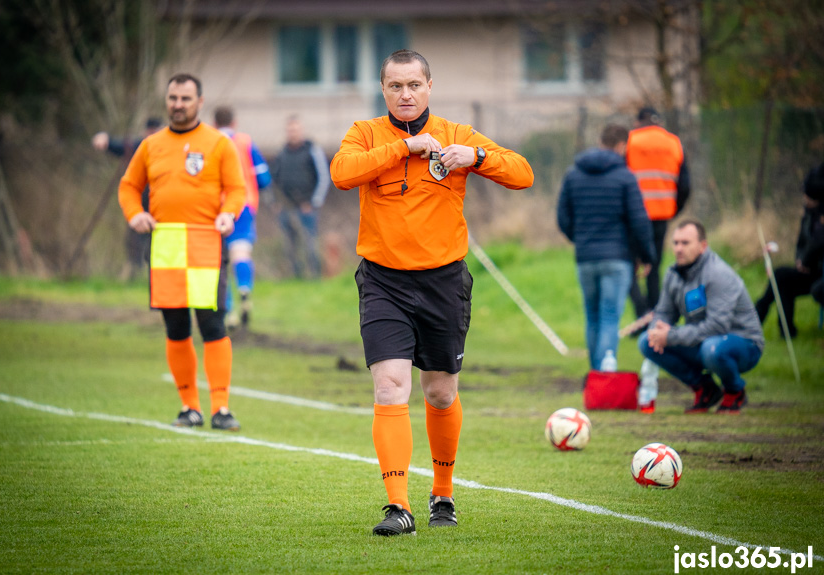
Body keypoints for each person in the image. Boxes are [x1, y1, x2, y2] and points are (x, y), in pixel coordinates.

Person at [330, 49, 534, 536]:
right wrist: (405, 148)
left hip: (443, 281)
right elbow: (342, 173)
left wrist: (478, 157)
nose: (405, 94)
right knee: (389, 386)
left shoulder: (458, 135)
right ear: (383, 90)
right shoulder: (365, 133)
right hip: (382, 280)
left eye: (413, 85)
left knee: (440, 393)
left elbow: (523, 174)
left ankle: (443, 492)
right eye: (395, 86)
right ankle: (397, 506)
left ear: (429, 86)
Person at [118, 73, 246, 430]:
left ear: (200, 101)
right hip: (166, 245)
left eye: (185, 98)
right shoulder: (150, 145)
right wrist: (135, 213)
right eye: (173, 98)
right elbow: (129, 187)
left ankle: (221, 409)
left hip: (206, 242)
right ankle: (189, 407)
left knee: (212, 323)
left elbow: (237, 189)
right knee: (175, 326)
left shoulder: (218, 143)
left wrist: (227, 213)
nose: (178, 104)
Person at [638, 220, 764, 414]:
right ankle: (705, 389)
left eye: (685, 243)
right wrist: (656, 331)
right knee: (646, 342)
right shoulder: (673, 274)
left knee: (712, 348)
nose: (679, 249)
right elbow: (664, 312)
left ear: (703, 246)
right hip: (704, 341)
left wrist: (670, 336)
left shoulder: (718, 274)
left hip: (742, 343)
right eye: (675, 243)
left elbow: (717, 326)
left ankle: (734, 391)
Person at [557, 123, 656, 371]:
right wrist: (647, 256)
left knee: (592, 316)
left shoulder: (573, 174)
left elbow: (562, 217)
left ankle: (595, 374)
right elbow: (639, 222)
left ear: (601, 141)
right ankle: (605, 373)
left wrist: (580, 238)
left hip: (585, 258)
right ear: (622, 145)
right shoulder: (625, 176)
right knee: (610, 316)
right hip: (618, 259)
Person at [626, 107, 691, 323]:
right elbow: (685, 186)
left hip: (633, 216)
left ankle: (642, 314)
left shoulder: (630, 141)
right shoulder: (673, 143)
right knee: (653, 267)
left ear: (638, 121)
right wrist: (673, 209)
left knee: (629, 266)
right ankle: (654, 317)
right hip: (661, 215)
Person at [212, 105, 272, 331]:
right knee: (241, 253)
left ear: (214, 123)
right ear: (234, 123)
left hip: (216, 208)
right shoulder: (245, 142)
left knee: (220, 261)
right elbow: (264, 177)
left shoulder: (209, 142)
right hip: (244, 205)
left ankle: (227, 313)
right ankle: (245, 290)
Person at [754, 162, 824, 338]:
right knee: (783, 280)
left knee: (781, 277)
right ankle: (785, 331)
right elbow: (802, 242)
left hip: (819, 271)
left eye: (807, 196)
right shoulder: (808, 214)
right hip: (808, 269)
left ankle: (756, 319)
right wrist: (800, 261)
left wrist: (806, 260)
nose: (804, 199)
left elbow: (819, 242)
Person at [92, 117, 163, 280]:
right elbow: (121, 146)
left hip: (161, 204)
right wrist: (107, 141)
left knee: (156, 239)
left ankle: (151, 271)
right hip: (141, 203)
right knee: (135, 238)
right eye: (151, 132)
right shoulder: (141, 146)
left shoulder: (169, 148)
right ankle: (135, 271)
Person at [268, 115, 329, 278]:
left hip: (307, 207)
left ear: (301, 131)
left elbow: (323, 177)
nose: (292, 133)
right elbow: (273, 180)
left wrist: (314, 202)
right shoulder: (281, 153)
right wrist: (275, 202)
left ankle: (315, 276)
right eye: (290, 130)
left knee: (310, 244)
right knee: (290, 246)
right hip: (286, 207)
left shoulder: (312, 150)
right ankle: (296, 277)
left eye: (295, 129)